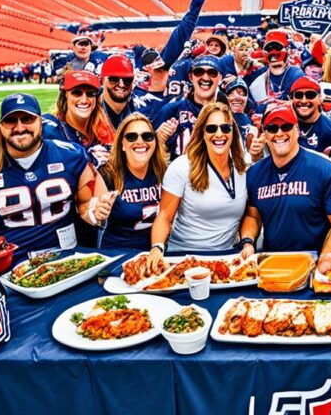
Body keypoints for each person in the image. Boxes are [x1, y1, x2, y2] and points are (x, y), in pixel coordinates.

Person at [0, 93, 112, 253]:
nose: (20, 127)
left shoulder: (70, 155)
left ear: (41, 122)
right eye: (11, 121)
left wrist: (93, 212)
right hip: (10, 263)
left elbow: (85, 205)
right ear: (1, 126)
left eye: (27, 119)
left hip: (68, 258)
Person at [238, 102, 331, 270]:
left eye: (286, 126)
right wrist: (248, 242)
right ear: (265, 133)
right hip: (272, 263)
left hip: (312, 261)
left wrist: (326, 256)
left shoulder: (325, 169)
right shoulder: (255, 173)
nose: (279, 133)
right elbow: (252, 215)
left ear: (297, 130)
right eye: (272, 128)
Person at [148, 102, 249, 267]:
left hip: (227, 259)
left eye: (225, 128)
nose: (219, 134)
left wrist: (247, 242)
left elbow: (250, 215)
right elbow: (165, 217)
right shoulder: (182, 167)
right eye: (211, 128)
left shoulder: (244, 167)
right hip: (183, 257)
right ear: (202, 132)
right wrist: (157, 247)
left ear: (233, 132)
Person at [97, 114, 168, 249]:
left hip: (155, 251)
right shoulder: (108, 173)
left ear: (155, 142)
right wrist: (97, 211)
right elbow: (93, 213)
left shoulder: (165, 173)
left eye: (147, 136)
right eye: (131, 137)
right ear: (122, 145)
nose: (140, 142)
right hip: (117, 254)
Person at [154, 55, 223, 158]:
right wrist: (158, 138)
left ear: (220, 78)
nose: (205, 77)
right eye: (198, 72)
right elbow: (148, 150)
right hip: (178, 172)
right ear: (190, 77)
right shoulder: (171, 110)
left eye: (212, 73)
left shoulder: (226, 114)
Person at [42, 70, 114, 167]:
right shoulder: (48, 126)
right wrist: (87, 159)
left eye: (90, 94)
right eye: (77, 93)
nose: (84, 100)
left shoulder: (103, 128)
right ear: (65, 94)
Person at [290, 76, 331, 155]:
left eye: (310, 95)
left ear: (320, 99)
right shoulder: (282, 127)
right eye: (298, 95)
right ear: (291, 99)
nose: (304, 100)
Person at [249, 30, 304, 107]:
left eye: (278, 48)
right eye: (269, 49)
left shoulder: (296, 74)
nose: (273, 53)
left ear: (287, 50)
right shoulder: (258, 74)